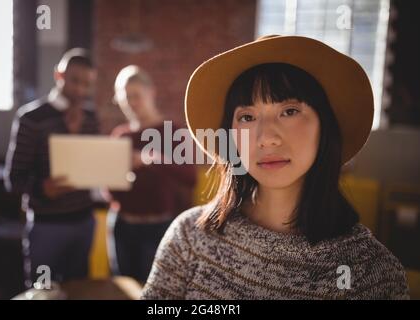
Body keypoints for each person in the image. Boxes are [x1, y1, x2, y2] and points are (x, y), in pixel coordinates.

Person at [141, 35, 410, 299]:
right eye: (247, 116)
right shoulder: (190, 238)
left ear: (324, 127)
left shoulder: (370, 272)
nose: (266, 137)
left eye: (289, 111)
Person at [4, 48, 98, 287]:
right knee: (41, 291)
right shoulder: (31, 118)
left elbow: (93, 165)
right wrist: (42, 189)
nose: (80, 90)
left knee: (79, 290)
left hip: (85, 222)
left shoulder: (91, 117)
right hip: (47, 226)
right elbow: (13, 179)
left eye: (86, 84)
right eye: (74, 80)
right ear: (59, 75)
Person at [106, 65, 197, 283]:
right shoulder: (120, 135)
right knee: (124, 288)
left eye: (136, 96)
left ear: (151, 93)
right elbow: (109, 191)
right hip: (122, 225)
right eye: (125, 97)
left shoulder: (172, 131)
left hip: (159, 227)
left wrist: (152, 160)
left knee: (155, 289)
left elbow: (190, 177)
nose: (131, 103)